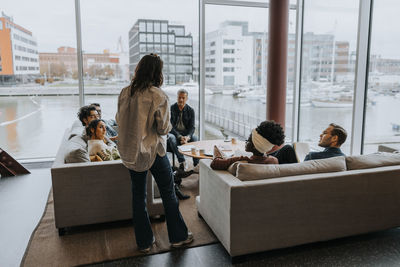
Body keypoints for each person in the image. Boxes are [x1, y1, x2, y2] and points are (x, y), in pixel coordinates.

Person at [116, 53, 193, 253]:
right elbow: (163, 129)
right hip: (154, 151)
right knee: (168, 193)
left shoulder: (125, 92)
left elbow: (119, 121)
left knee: (138, 196)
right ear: (157, 72)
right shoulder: (158, 95)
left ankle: (144, 242)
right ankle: (178, 237)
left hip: (132, 152)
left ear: (139, 70)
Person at [210, 121, 285, 170]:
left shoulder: (242, 160)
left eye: (248, 141)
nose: (246, 142)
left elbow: (214, 163)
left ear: (254, 146)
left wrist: (217, 151)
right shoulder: (274, 161)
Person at [269, 123, 347, 164]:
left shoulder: (312, 156)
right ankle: (264, 158)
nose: (320, 135)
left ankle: (262, 159)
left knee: (288, 149)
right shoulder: (344, 158)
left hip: (298, 180)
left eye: (325, 133)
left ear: (334, 138)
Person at [167, 89, 199, 171]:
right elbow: (170, 127)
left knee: (195, 138)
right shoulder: (171, 109)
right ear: (177, 98)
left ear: (186, 98)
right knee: (171, 138)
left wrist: (187, 137)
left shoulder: (190, 110)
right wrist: (179, 137)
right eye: (179, 97)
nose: (181, 100)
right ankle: (182, 161)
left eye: (183, 98)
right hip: (174, 134)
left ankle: (196, 164)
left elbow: (192, 127)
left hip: (185, 135)